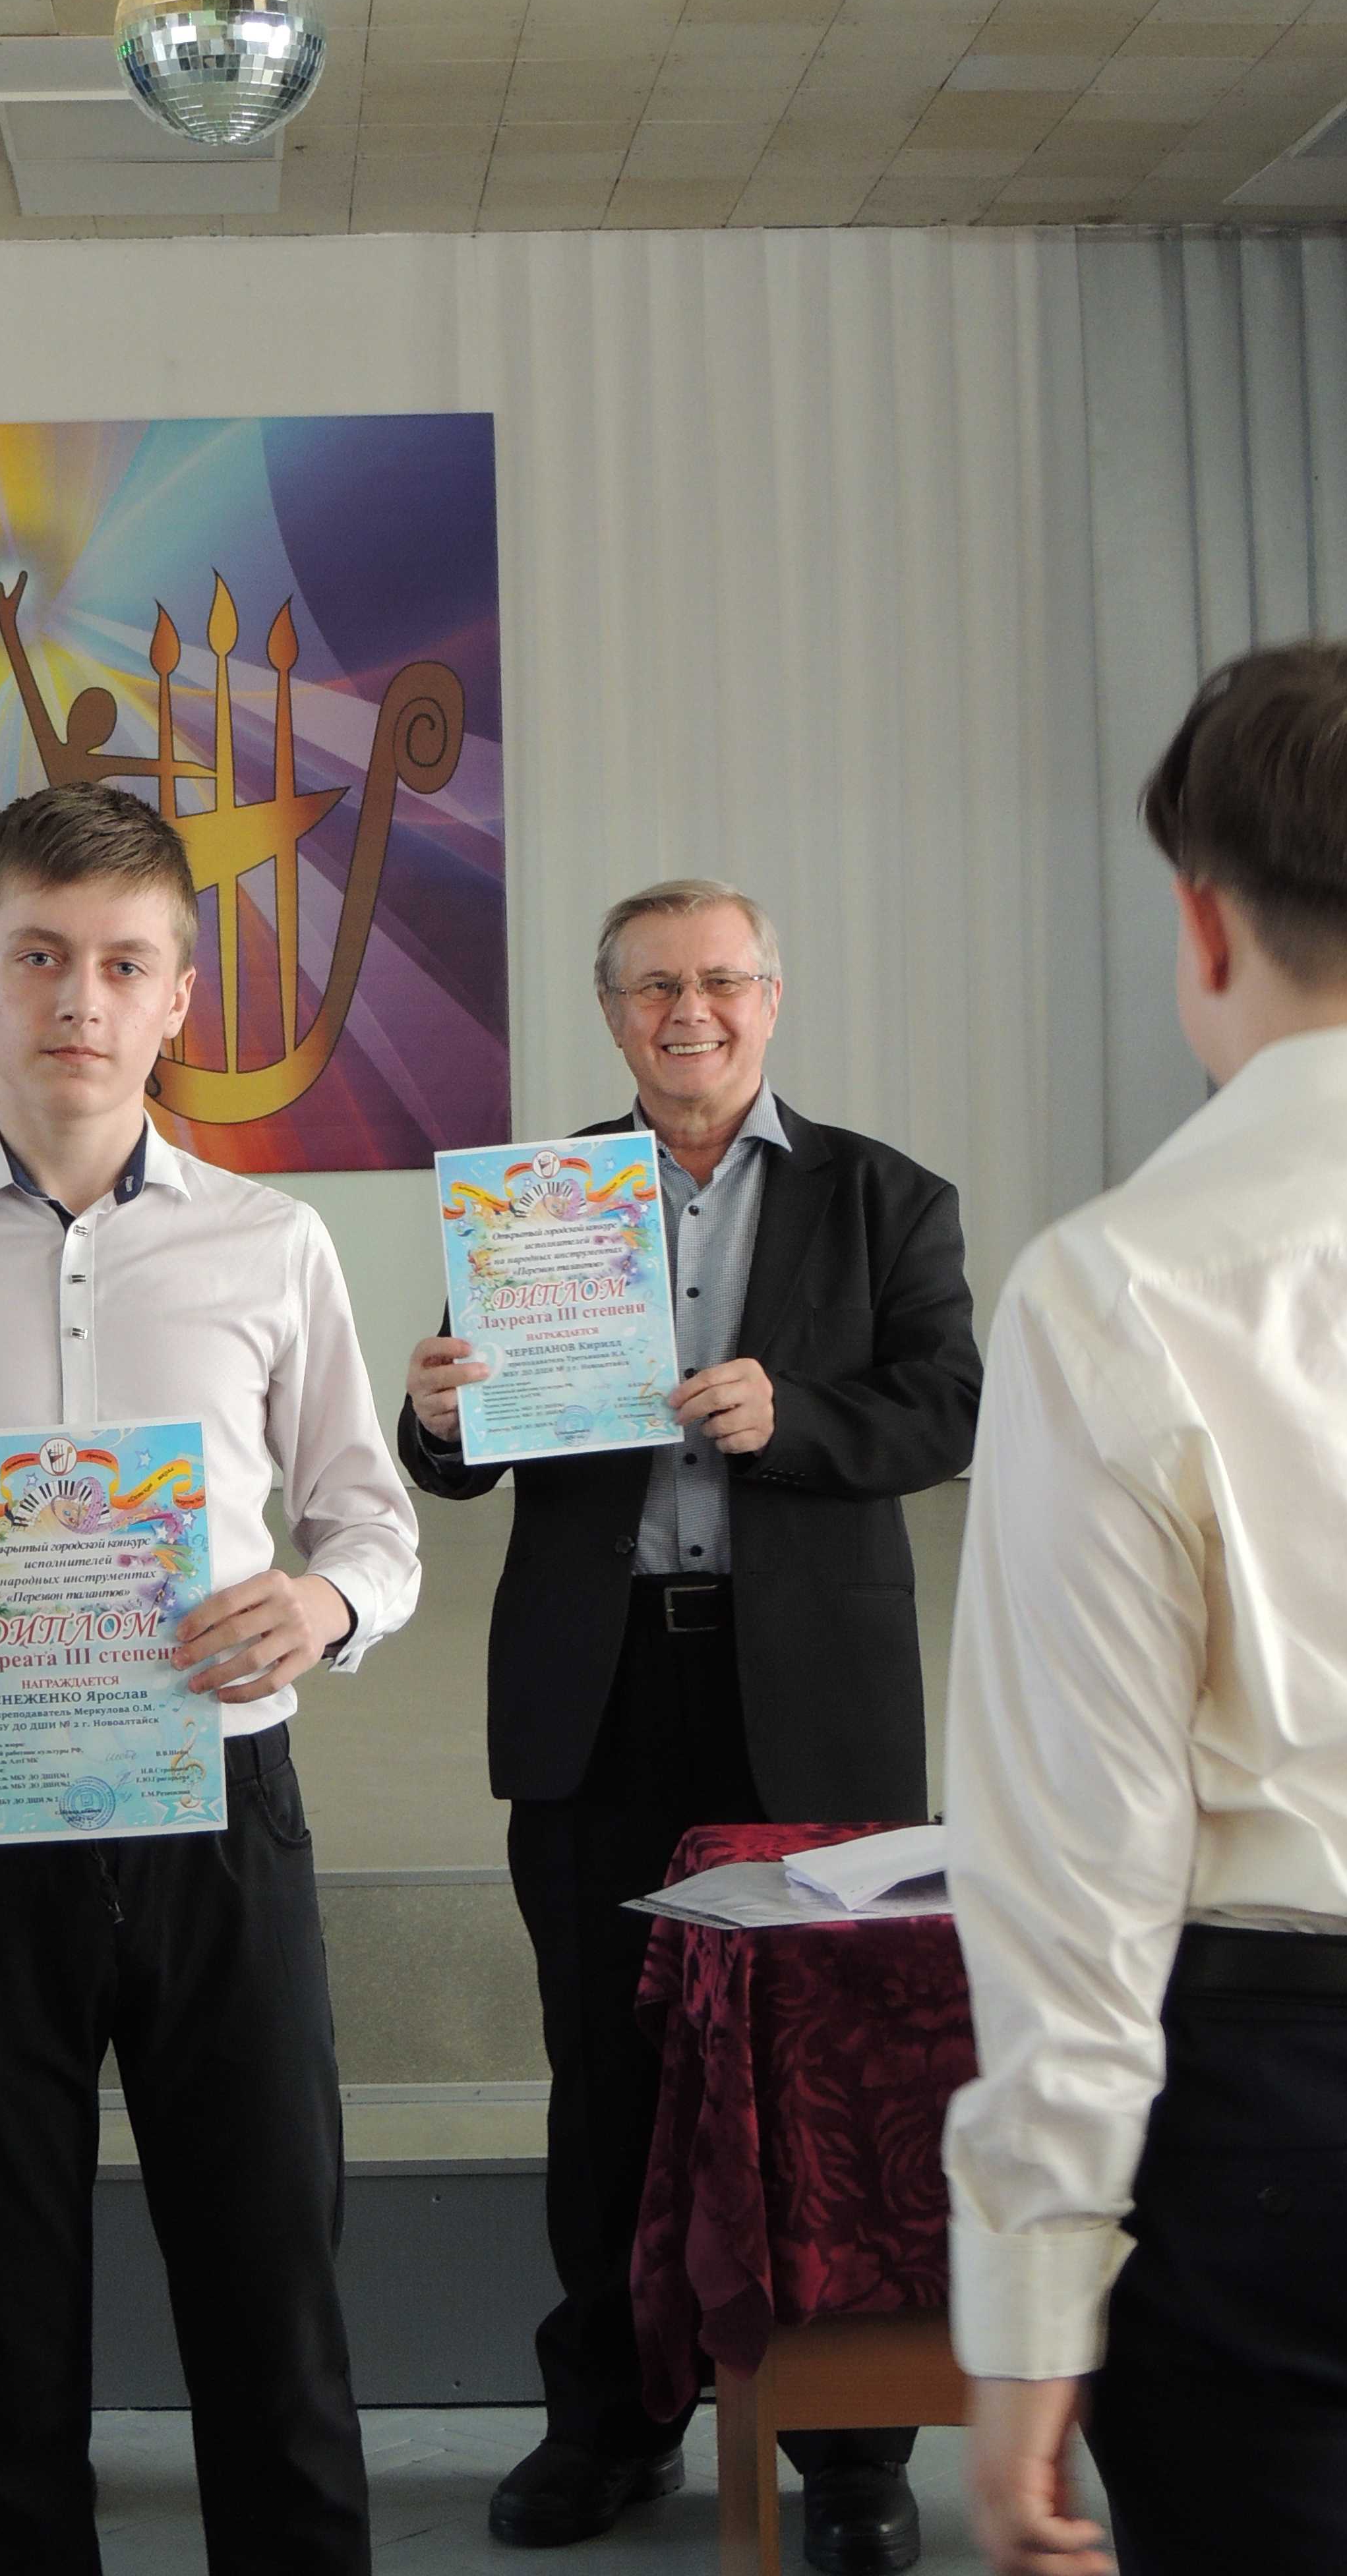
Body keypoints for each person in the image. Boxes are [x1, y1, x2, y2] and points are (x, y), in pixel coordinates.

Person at [0, 780, 421, 2576]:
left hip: (221, 1826)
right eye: (37, 956)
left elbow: (374, 1524)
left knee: (274, 2317)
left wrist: (321, 1606)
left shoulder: (272, 1244)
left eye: (122, 963)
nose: (79, 1000)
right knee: (0, 2347)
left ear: (180, 992)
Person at [401, 880, 980, 2570]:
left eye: (721, 980)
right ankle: (611, 2420)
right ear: (610, 1012)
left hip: (808, 1699)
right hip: (599, 1694)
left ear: (770, 999)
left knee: (836, 2073)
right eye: (654, 986)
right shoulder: (529, 1202)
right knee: (606, 2070)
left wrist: (793, 1417)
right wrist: (434, 1416)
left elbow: (948, 1406)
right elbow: (459, 1455)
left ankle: (853, 2450)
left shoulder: (885, 1197)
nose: (690, 1012)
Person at [945, 639, 1347, 2576]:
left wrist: (1030, 2312)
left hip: (1288, 2114)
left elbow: (1078, 1864)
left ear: (1200, 922)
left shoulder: (1117, 1286)